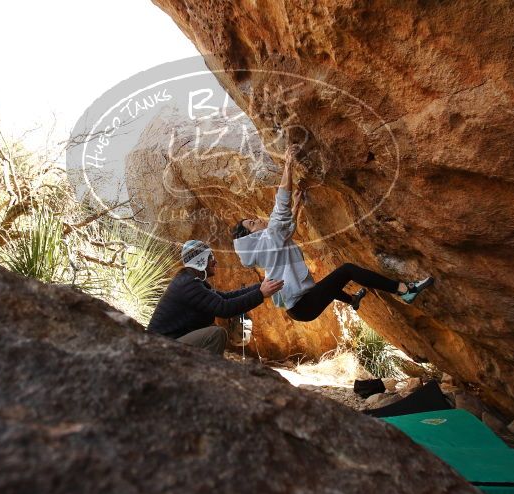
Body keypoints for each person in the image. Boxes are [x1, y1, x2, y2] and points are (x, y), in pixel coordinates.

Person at [232, 144, 434, 323]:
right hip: (304, 305)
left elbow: (286, 230)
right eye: (251, 223)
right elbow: (280, 203)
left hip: (301, 307)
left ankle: (352, 300)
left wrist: (297, 205)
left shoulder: (268, 243)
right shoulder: (268, 240)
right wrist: (288, 165)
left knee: (329, 284)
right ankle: (404, 290)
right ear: (249, 237)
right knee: (347, 270)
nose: (257, 220)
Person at [147, 239, 283, 354]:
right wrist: (260, 294)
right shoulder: (189, 284)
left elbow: (224, 297)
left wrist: (260, 287)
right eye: (210, 257)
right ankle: (206, 378)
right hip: (161, 348)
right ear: (200, 260)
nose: (215, 261)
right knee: (216, 335)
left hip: (166, 343)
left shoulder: (190, 280)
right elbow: (225, 308)